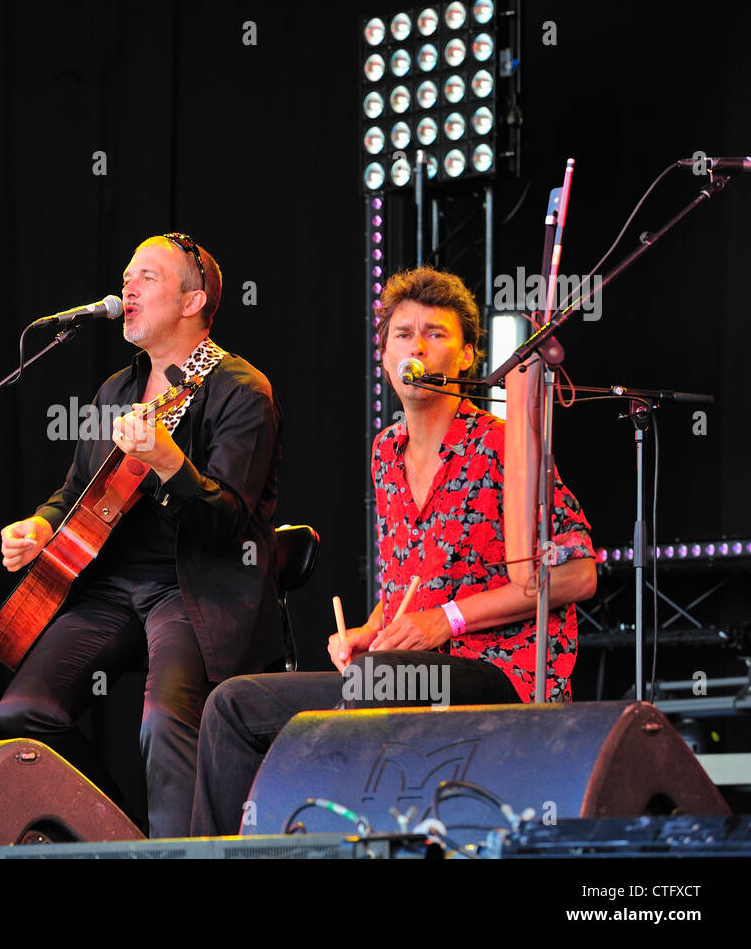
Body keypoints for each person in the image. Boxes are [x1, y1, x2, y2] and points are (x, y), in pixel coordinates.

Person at [189, 266, 598, 837]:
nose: (417, 346)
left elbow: (577, 575)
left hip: (502, 673)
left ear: (466, 357)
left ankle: (337, 843)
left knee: (377, 683)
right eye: (403, 334)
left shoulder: (503, 445)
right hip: (397, 672)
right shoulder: (386, 452)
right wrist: (368, 629)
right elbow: (410, 586)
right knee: (233, 705)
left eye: (436, 334)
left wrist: (444, 621)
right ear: (384, 356)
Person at [0, 233, 283, 838]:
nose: (127, 286)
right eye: (127, 275)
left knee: (163, 719)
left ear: (191, 301)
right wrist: (41, 525)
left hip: (192, 588)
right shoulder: (115, 391)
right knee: (25, 710)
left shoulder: (241, 390)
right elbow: (75, 489)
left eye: (147, 277)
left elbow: (230, 519)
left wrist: (173, 465)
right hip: (111, 586)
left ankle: (181, 856)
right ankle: (121, 837)